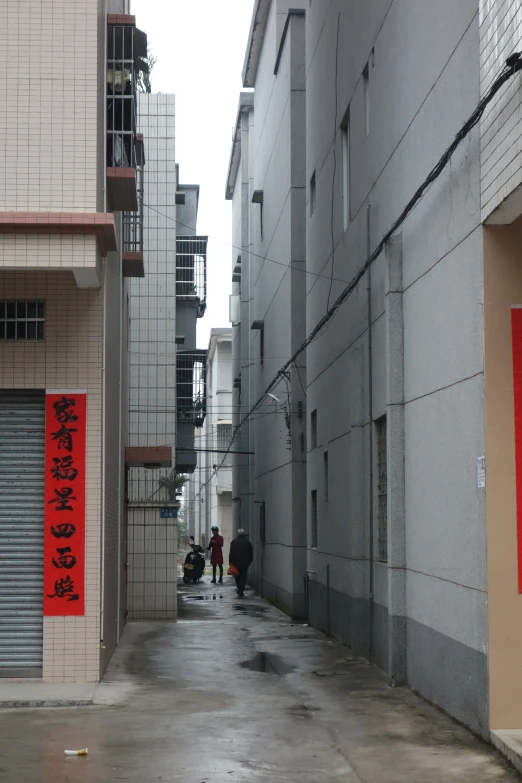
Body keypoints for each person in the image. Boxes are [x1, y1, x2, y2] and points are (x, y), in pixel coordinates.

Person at [229, 528, 253, 598]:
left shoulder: (234, 542)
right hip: (245, 563)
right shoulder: (247, 543)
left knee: (237, 576)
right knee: (243, 576)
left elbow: (231, 553)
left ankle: (239, 588)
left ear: (238, 534)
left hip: (236, 563)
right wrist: (248, 562)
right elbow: (251, 554)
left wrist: (231, 562)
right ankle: (241, 590)